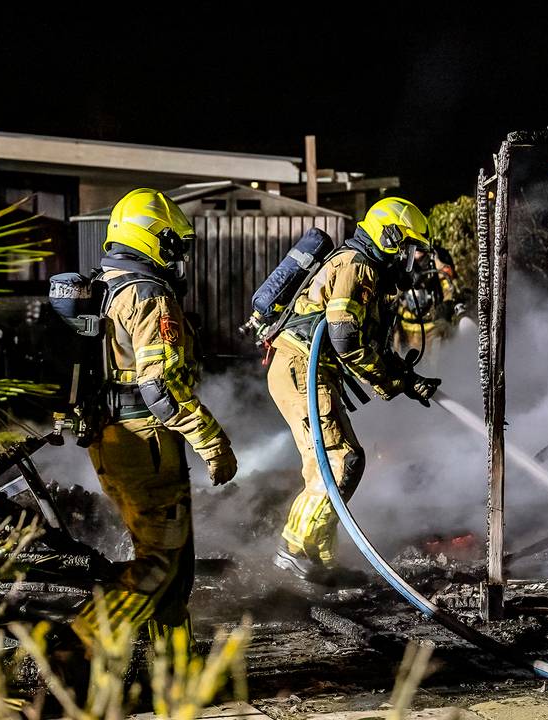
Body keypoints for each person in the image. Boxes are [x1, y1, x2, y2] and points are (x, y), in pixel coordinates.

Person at [71, 188, 238, 649]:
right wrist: (213, 442)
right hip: (145, 444)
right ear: (152, 238)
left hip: (118, 439)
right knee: (160, 568)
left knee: (172, 570)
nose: (178, 255)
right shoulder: (148, 295)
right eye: (173, 243)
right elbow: (160, 388)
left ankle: (175, 670)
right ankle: (76, 645)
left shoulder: (108, 285)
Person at [267, 197, 441, 584]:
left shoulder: (367, 274)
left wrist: (407, 380)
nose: (409, 262)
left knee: (337, 463)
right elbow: (346, 340)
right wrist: (392, 381)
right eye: (408, 251)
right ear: (389, 239)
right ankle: (293, 551)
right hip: (301, 368)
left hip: (310, 371)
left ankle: (320, 558)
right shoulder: (356, 266)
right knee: (339, 462)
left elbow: (369, 344)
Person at [392, 245, 466, 367]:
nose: (417, 250)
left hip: (433, 328)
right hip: (406, 328)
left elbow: (449, 287)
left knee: (437, 367)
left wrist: (446, 307)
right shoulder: (398, 259)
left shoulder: (438, 259)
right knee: (408, 366)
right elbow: (390, 294)